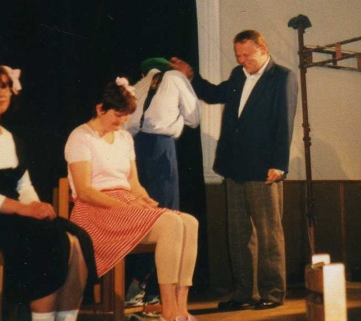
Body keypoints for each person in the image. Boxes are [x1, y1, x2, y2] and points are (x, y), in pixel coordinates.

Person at [171, 29, 297, 311]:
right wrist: (191, 76)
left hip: (264, 170)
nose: (241, 60)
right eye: (238, 55)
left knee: (268, 233)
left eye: (247, 55)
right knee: (238, 234)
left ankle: (273, 292)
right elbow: (215, 94)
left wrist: (280, 164)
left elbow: (284, 122)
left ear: (263, 49)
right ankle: (244, 294)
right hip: (234, 166)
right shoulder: (238, 75)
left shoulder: (283, 77)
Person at [64, 78, 199, 321]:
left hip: (124, 204)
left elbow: (134, 184)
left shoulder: (125, 138)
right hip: (94, 210)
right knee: (171, 224)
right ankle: (168, 311)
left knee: (189, 222)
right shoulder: (80, 137)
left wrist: (145, 201)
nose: (123, 120)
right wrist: (125, 205)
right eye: (118, 115)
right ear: (100, 108)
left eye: (126, 115)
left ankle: (181, 309)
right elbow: (84, 191)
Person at [0, 61, 94, 321]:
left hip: (13, 217)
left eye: (4, 87)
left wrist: (36, 207)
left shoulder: (11, 138)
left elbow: (23, 186)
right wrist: (23, 210)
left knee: (78, 239)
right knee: (48, 241)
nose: (0, 93)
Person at [123, 57, 200, 305]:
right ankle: (152, 290)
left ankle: (141, 287)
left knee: (146, 218)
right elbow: (194, 118)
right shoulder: (176, 77)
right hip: (161, 148)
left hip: (134, 149)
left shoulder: (138, 85)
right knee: (168, 217)